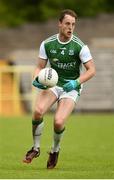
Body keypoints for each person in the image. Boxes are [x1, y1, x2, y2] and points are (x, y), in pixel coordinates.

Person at [23, 9, 96, 169]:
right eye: (67, 24)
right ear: (60, 24)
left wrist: (76, 83)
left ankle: (55, 150)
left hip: (71, 86)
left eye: (73, 24)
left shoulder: (79, 46)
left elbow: (92, 70)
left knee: (58, 121)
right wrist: (36, 79)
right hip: (53, 84)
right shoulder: (47, 44)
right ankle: (35, 148)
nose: (70, 27)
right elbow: (39, 67)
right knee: (38, 111)